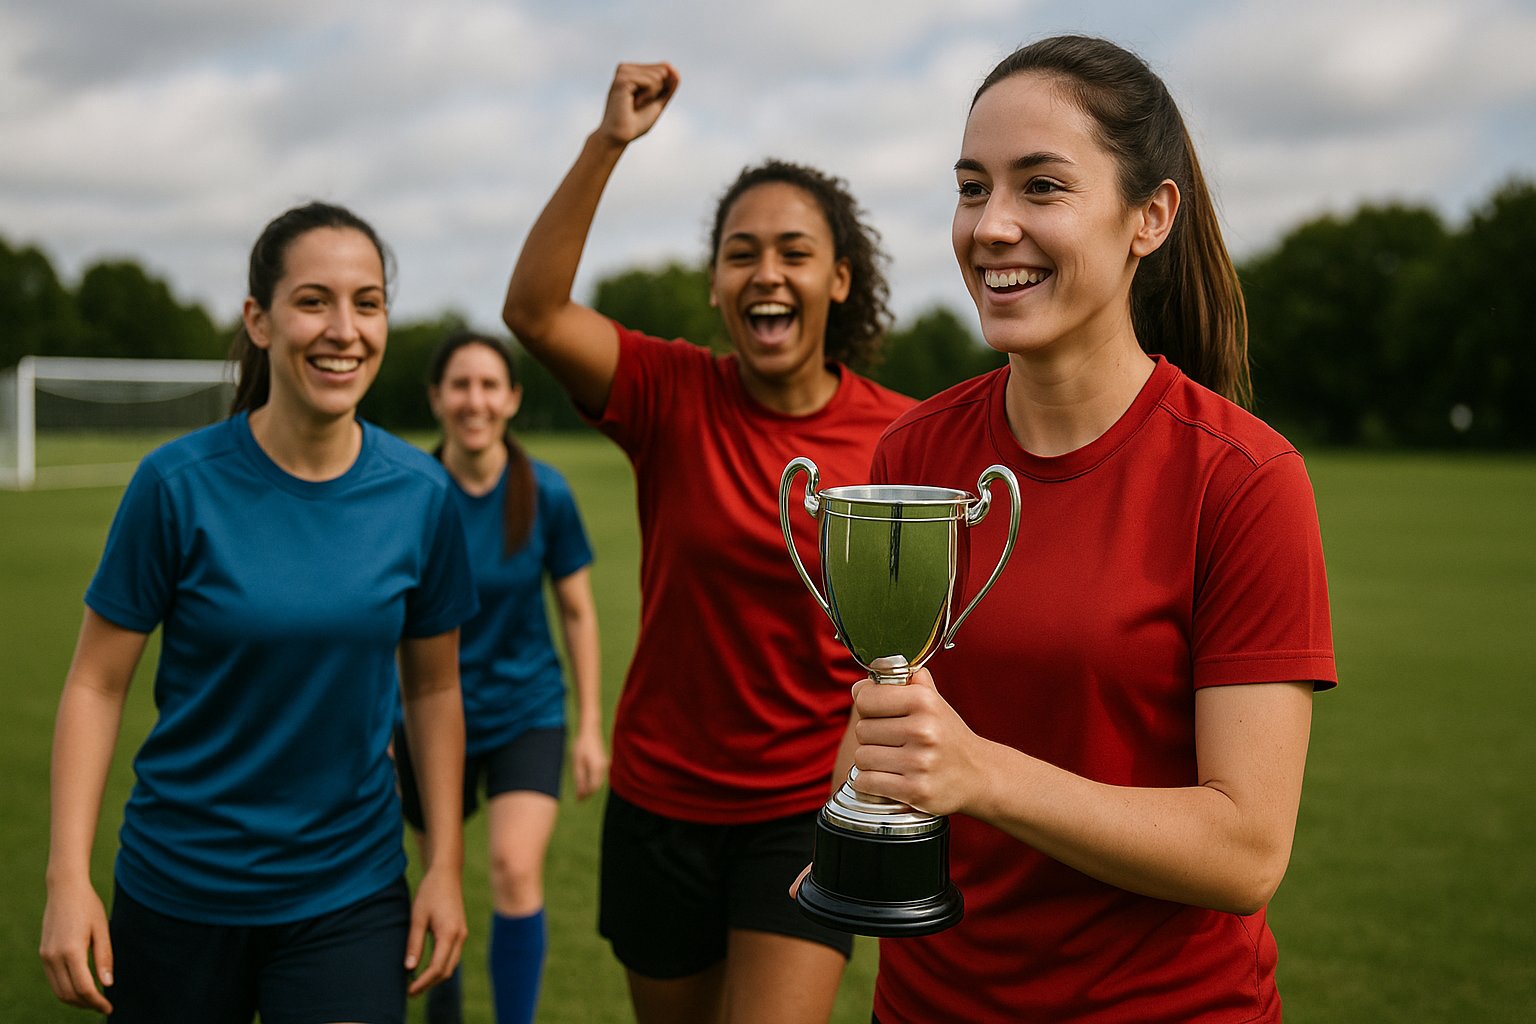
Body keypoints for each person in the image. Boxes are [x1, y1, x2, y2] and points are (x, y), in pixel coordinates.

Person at [823, 35, 1337, 1023]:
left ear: (1150, 217)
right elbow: (884, 740)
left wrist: (983, 774)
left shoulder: (1243, 479)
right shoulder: (911, 457)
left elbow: (1245, 850)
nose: (991, 226)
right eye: (972, 188)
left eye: (1042, 187)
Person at [501, 62, 915, 1024]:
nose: (766, 272)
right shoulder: (667, 392)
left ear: (838, 279)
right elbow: (533, 310)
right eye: (741, 253)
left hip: (804, 810)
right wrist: (610, 141)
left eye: (794, 251)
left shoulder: (904, 438)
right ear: (719, 286)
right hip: (661, 806)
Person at [39, 201, 477, 1024]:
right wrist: (67, 878)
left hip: (349, 894)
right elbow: (96, 685)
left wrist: (444, 865)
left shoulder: (422, 496)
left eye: (368, 302)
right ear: (260, 320)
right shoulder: (174, 486)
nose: (344, 328)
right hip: (178, 890)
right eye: (314, 300)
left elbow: (434, 692)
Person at [394, 329, 606, 1024]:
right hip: (428, 721)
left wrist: (590, 728)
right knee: (437, 877)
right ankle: (444, 1013)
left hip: (525, 710)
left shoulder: (546, 492)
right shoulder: (409, 495)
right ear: (437, 397)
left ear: (512, 398)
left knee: (515, 869)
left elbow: (576, 612)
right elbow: (381, 624)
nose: (474, 400)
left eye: (490, 385)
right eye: (460, 385)